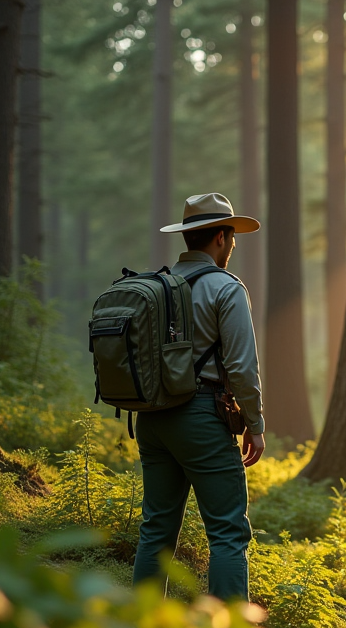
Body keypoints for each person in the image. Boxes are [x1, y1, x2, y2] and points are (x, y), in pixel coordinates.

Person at [131, 193, 266, 601]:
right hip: (202, 417)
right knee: (227, 531)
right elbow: (242, 368)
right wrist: (256, 425)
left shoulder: (159, 286)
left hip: (152, 420)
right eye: (233, 238)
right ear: (222, 238)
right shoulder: (226, 288)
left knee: (156, 527)